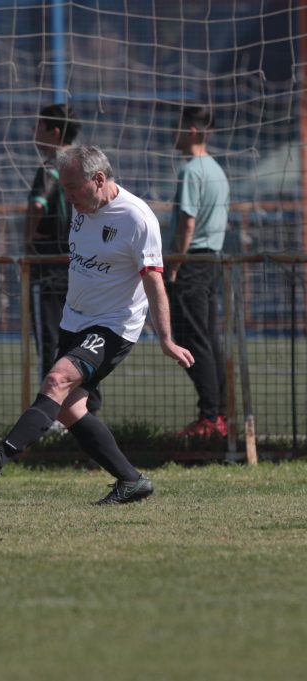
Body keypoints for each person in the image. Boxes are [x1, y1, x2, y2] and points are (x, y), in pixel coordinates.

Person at [0, 145, 194, 505]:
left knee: (57, 380)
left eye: (73, 187)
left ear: (99, 179)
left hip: (113, 326)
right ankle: (131, 481)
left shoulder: (137, 219)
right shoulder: (83, 208)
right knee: (71, 408)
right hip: (74, 319)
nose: (68, 196)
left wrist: (167, 339)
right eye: (65, 187)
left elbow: (154, 281)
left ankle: (3, 454)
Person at [25, 104, 101, 415]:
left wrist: (28, 239)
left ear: (54, 132)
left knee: (51, 341)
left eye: (39, 126)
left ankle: (54, 416)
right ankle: (88, 411)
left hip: (51, 264)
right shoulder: (88, 165)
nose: (35, 133)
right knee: (86, 341)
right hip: (84, 265)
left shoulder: (53, 166)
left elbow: (38, 205)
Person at [167, 106, 230, 438]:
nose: (172, 133)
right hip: (212, 261)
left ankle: (210, 416)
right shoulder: (217, 171)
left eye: (177, 127)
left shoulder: (191, 171)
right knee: (207, 337)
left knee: (193, 339)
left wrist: (175, 264)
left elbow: (187, 222)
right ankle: (220, 413)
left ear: (191, 130)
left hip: (192, 262)